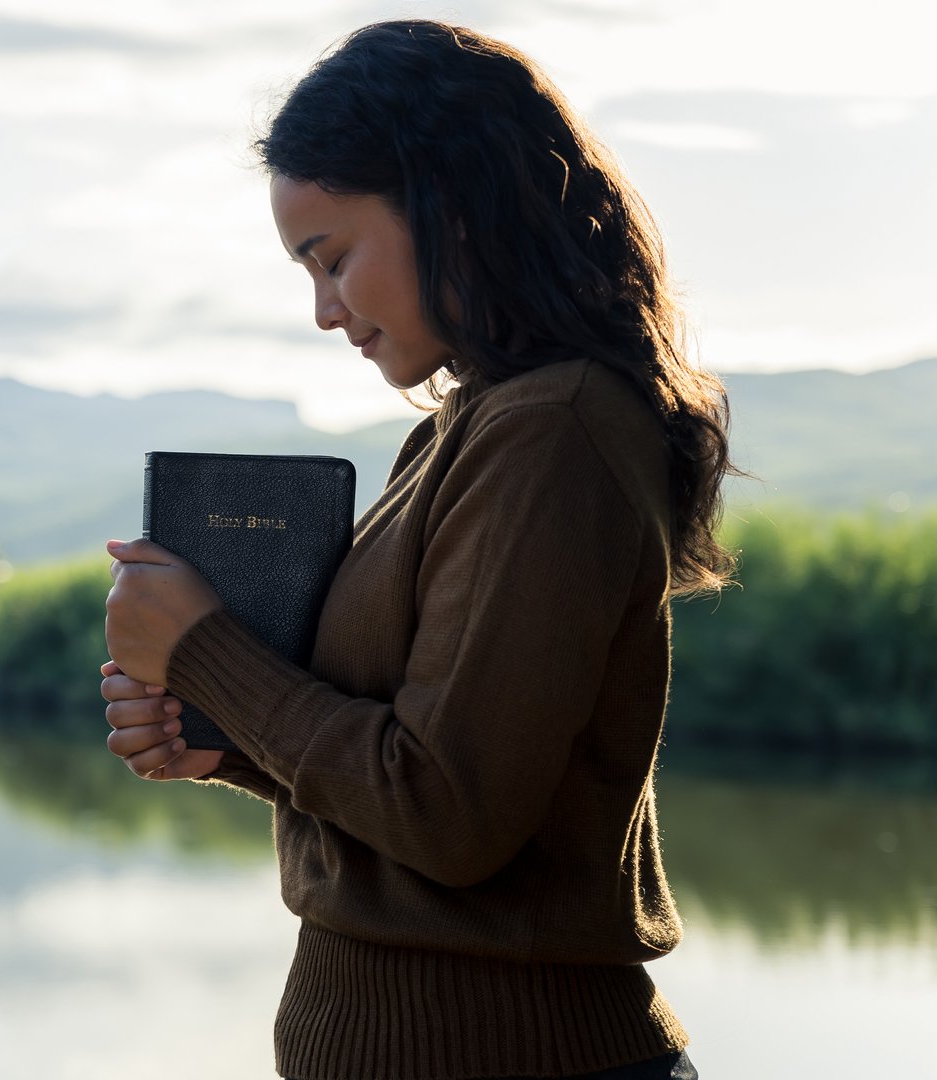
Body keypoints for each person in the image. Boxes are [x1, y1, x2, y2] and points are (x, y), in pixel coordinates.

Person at [101, 19, 733, 1080]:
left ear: (453, 201)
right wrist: (227, 744)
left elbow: (449, 815)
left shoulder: (555, 429)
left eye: (333, 257)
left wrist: (207, 649)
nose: (324, 310)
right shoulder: (463, 430)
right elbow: (413, 768)